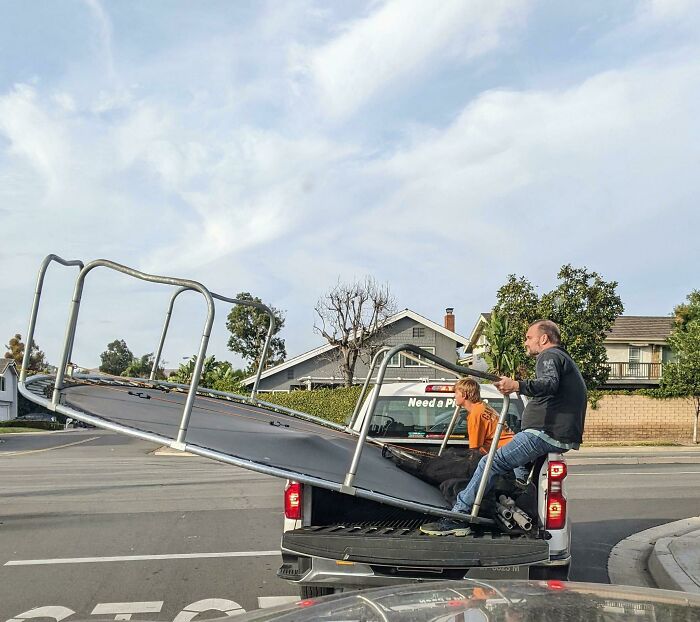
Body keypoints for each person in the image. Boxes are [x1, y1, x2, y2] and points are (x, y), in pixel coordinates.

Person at [420, 319, 587, 536]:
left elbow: (549, 383)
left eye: (529, 337)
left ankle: (459, 516)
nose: (525, 343)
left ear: (544, 338)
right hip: (552, 433)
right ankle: (517, 496)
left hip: (544, 433)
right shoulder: (563, 359)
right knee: (516, 472)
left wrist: (517, 385)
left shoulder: (550, 356)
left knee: (491, 462)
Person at [454, 377, 514, 455]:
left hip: (505, 454)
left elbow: (474, 449)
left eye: (456, 393)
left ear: (464, 395)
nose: (454, 396)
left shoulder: (475, 414)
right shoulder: (483, 406)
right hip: (511, 448)